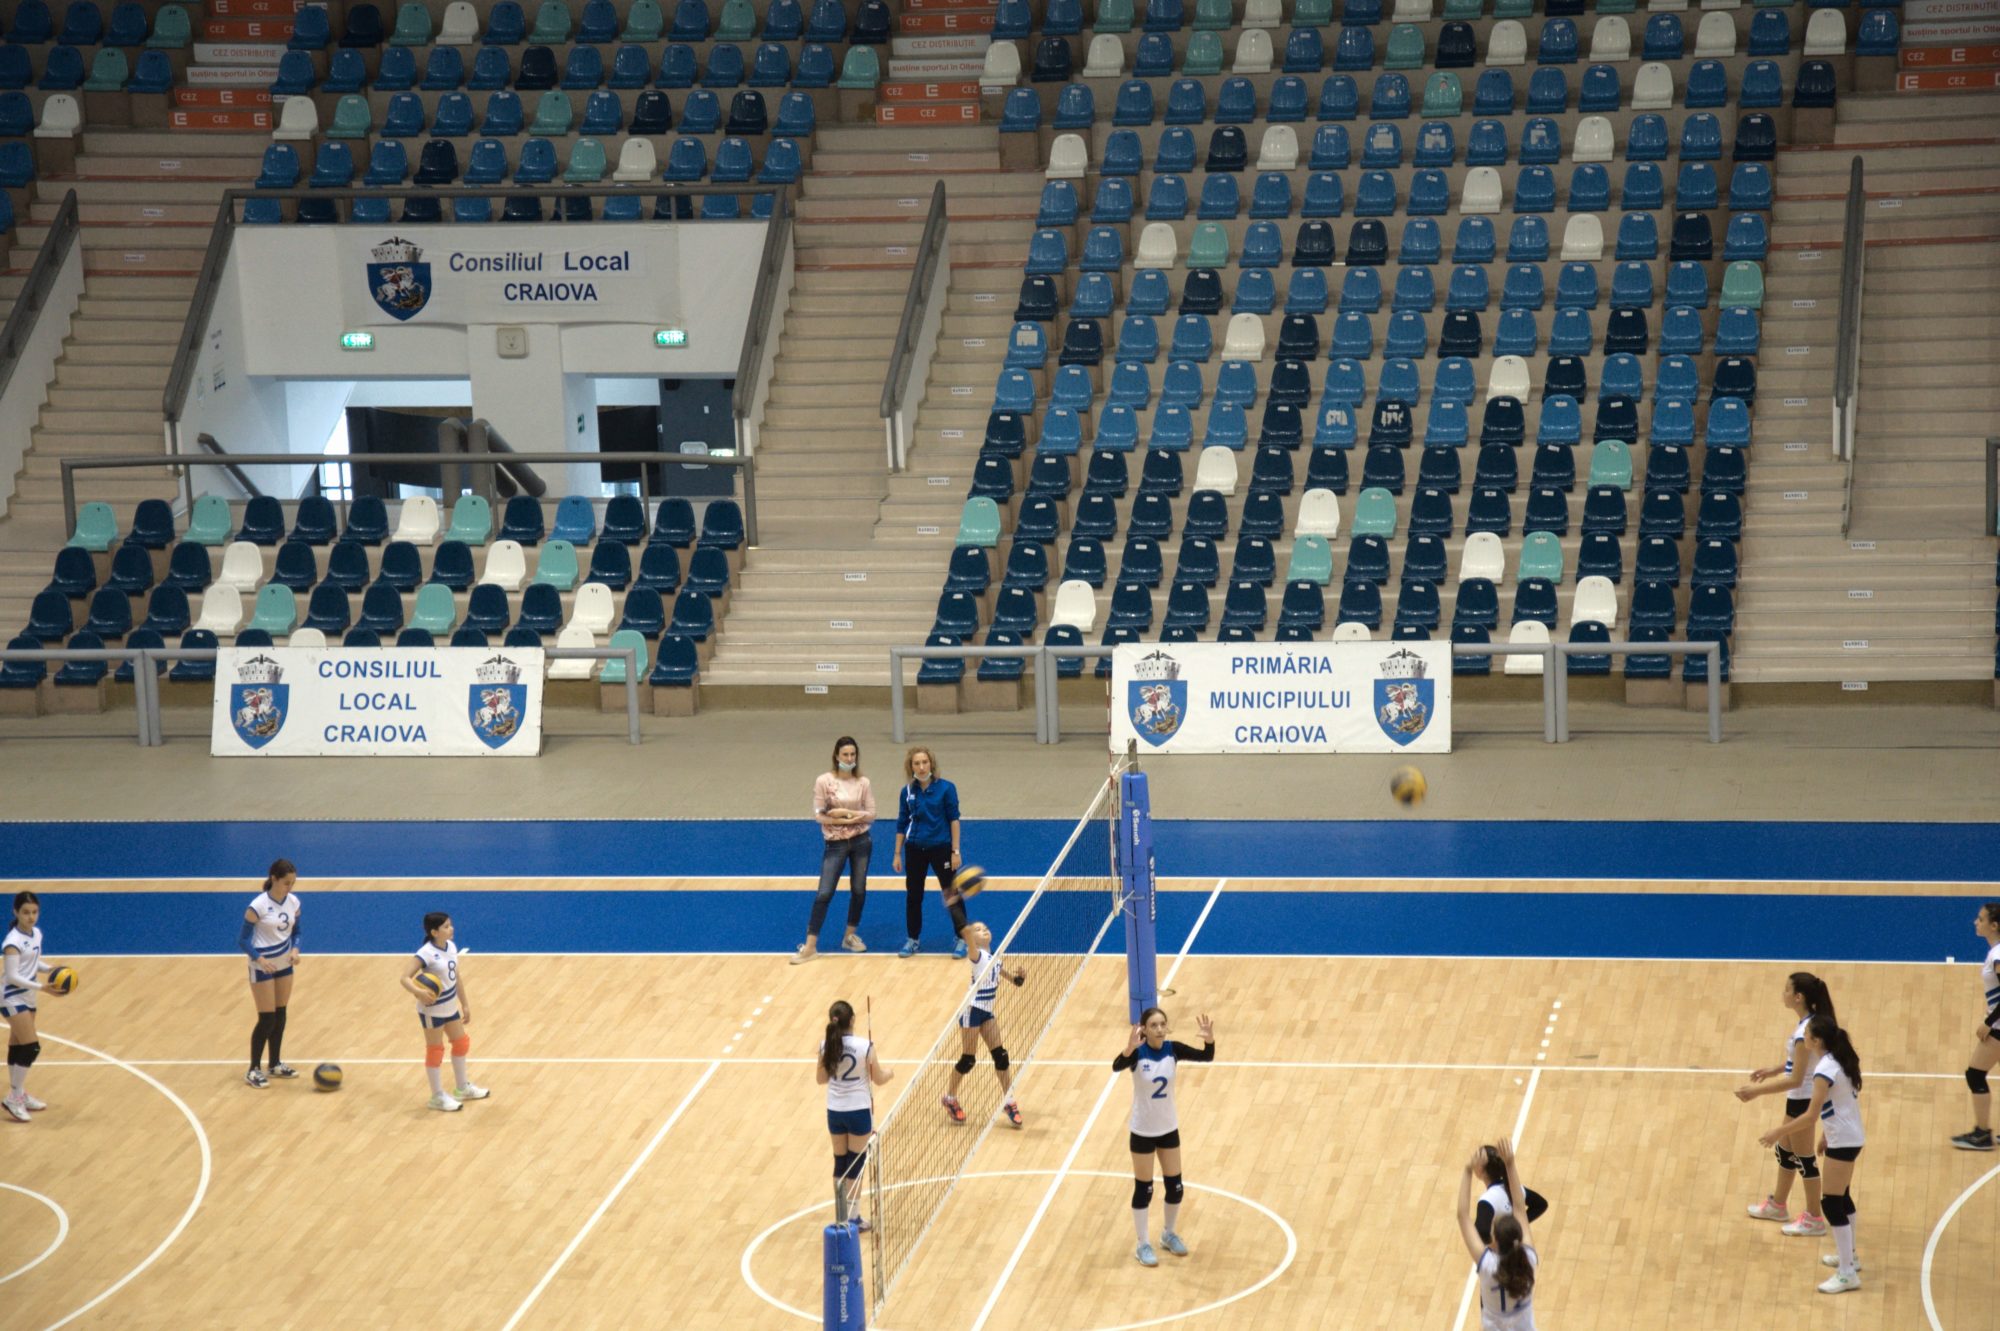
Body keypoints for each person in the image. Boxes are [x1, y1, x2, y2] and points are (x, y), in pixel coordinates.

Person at [1759, 1013, 1865, 1294]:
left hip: (1844, 1140)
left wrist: (1778, 1132)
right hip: (1848, 1136)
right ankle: (1851, 1258)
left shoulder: (1824, 1070)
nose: (1802, 1037)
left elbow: (1809, 1116)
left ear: (1816, 1041)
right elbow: (1840, 1103)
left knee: (1831, 1203)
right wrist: (1826, 1135)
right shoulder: (1838, 1060)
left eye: (1806, 1035)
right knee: (1842, 1197)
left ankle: (1847, 1274)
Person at [1113, 1006, 1215, 1266]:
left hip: (1168, 1128)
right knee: (1144, 1189)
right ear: (1144, 1030)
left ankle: (1168, 1234)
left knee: (1176, 1187)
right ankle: (1142, 1245)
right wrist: (1128, 1048)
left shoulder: (1173, 1049)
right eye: (1154, 1025)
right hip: (1143, 1131)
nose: (1159, 1029)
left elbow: (1207, 1057)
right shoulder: (1138, 1054)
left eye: (1162, 1024)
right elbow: (1116, 1066)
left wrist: (1209, 1040)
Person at [1736, 971, 1837, 1231]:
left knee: (1804, 1160)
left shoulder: (1805, 1031)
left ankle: (1814, 1217)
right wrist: (1775, 1069)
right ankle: (1778, 1205)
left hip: (1803, 1100)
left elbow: (1796, 1079)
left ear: (1798, 997)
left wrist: (1757, 1091)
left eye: (1786, 990)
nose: (1784, 994)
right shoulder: (1807, 1024)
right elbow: (1800, 1062)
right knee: (1785, 1152)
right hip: (1798, 1099)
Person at [795, 736, 875, 964]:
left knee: (859, 890)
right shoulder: (824, 781)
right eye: (845, 755)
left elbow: (871, 814)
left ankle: (849, 936)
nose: (849, 758)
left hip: (861, 842)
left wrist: (843, 814)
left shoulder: (863, 783)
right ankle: (810, 946)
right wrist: (848, 818)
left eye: (853, 755)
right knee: (824, 892)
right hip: (835, 844)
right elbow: (820, 815)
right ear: (837, 756)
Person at [399, 912, 489, 1113]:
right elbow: (404, 978)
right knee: (435, 1050)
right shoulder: (425, 953)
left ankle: (462, 1087)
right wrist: (419, 992)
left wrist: (465, 1003)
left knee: (461, 1043)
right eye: (446, 926)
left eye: (450, 925)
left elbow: (456, 976)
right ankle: (437, 1096)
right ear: (434, 932)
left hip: (450, 1006)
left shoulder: (451, 947)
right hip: (432, 1010)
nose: (451, 928)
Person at [940, 922, 1026, 1129]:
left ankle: (1009, 1101)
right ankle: (950, 1098)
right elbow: (969, 941)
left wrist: (1019, 978)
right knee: (968, 1060)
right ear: (973, 939)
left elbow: (1011, 979)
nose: (984, 930)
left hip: (986, 1011)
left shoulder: (993, 958)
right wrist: (965, 929)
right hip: (972, 1010)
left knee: (1001, 1056)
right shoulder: (976, 955)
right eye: (978, 930)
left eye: (985, 928)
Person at [817, 999, 892, 1228]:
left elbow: (821, 1079)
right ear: (852, 1020)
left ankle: (841, 1217)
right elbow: (878, 1079)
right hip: (858, 1111)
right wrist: (890, 1073)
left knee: (840, 1163)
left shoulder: (825, 1045)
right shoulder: (864, 1046)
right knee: (855, 1166)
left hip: (835, 1111)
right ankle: (854, 1218)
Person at [891, 746, 968, 960]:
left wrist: (955, 851)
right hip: (915, 849)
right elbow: (901, 823)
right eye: (917, 763)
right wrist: (897, 853)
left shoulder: (946, 788)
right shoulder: (907, 792)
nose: (921, 767)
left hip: (941, 848)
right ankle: (913, 939)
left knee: (951, 893)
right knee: (913, 896)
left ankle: (962, 938)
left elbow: (954, 820)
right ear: (911, 767)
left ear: (931, 764)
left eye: (925, 762)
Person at [1457, 1137, 1538, 1329]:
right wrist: (1510, 1164)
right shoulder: (1529, 1260)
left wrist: (1468, 1170)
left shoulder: (1488, 1266)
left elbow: (1462, 1216)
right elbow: (1520, 1208)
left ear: (1495, 1242)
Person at [4, 890, 68, 1123]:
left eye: (34, 912)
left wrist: (51, 969)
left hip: (28, 995)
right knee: (31, 1047)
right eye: (26, 912)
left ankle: (18, 1093)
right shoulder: (12, 942)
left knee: (19, 1045)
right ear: (16, 912)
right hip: (11, 996)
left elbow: (32, 961)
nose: (31, 917)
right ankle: (13, 1098)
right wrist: (44, 988)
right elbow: (12, 976)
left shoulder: (36, 933)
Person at [239, 858, 302, 1089]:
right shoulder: (258, 906)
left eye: (293, 883)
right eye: (286, 883)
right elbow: (243, 940)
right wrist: (260, 959)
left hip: (284, 962)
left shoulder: (293, 902)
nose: (290, 887)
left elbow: (297, 932)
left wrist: (295, 950)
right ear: (273, 879)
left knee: (281, 1014)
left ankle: (274, 1063)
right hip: (263, 965)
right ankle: (253, 1069)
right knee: (267, 1019)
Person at [1951, 900, 2000, 1150]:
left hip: (1998, 1027)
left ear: (1994, 925)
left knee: (1975, 1074)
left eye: (1981, 919)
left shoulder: (1998, 955)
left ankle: (1982, 1135)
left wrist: (1988, 1023)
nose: (1975, 922)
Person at [1471, 1143, 1550, 1246]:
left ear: (1481, 1169)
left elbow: (1481, 1233)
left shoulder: (1487, 1199)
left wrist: (1495, 1244)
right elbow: (1541, 1204)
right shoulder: (1516, 1189)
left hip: (1501, 1254)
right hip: (1520, 1250)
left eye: (1476, 1158)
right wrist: (1517, 1225)